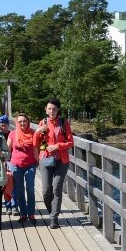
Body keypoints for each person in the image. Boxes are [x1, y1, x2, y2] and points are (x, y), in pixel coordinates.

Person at [33, 98, 73, 229]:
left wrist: (57, 146)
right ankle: (52, 211)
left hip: (62, 160)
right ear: (46, 109)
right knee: (46, 191)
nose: (51, 111)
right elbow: (35, 144)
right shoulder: (43, 122)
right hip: (45, 159)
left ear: (58, 110)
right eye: (49, 108)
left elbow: (70, 142)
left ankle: (53, 218)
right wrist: (38, 132)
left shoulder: (64, 123)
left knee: (56, 188)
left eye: (54, 108)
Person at [8, 112, 38, 222]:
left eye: (25, 121)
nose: (22, 123)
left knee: (30, 189)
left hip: (30, 164)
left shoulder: (33, 133)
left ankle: (31, 214)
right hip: (16, 165)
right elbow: (7, 148)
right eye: (20, 121)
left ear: (28, 122)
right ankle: (23, 214)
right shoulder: (13, 134)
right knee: (20, 190)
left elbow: (38, 146)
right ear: (16, 122)